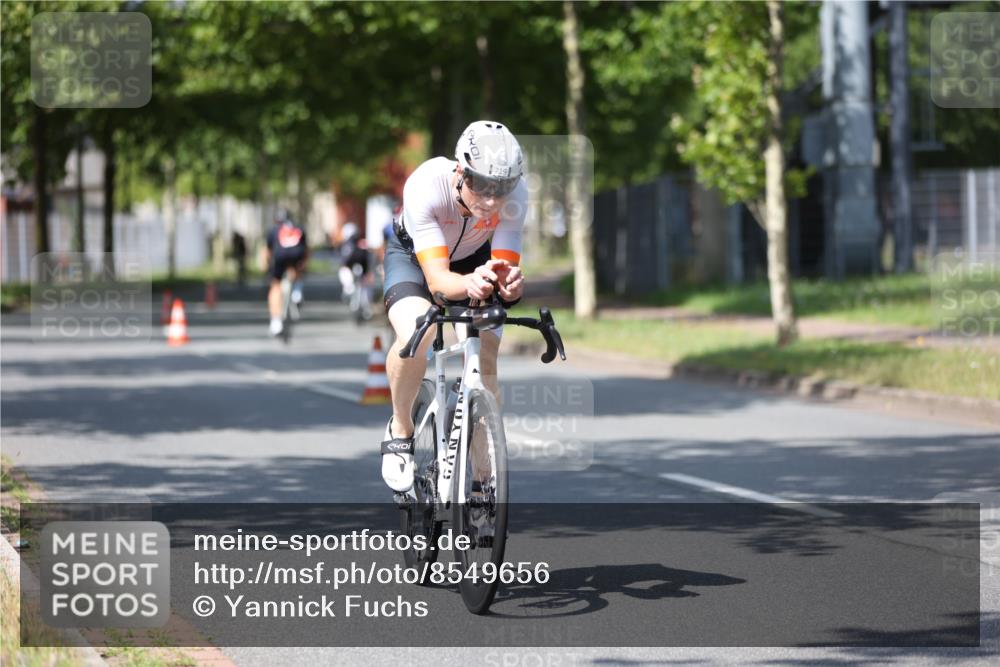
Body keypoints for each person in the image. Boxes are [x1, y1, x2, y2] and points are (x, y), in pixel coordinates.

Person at [380, 120, 526, 493]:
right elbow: (438, 283)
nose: (492, 200)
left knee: (487, 355)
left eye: (503, 188)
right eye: (482, 185)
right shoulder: (426, 185)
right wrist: (470, 283)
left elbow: (505, 266)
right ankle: (400, 428)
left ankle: (482, 484)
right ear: (460, 172)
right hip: (414, 259)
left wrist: (508, 285)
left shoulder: (516, 196)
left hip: (472, 259)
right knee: (420, 329)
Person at [265, 208, 308, 336]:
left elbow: (268, 252)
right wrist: (304, 264)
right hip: (297, 255)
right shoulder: (299, 228)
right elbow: (306, 250)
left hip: (279, 257)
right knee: (297, 268)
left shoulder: (274, 230)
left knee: (276, 286)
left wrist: (268, 266)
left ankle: (276, 321)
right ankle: (297, 292)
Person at [337, 222, 370, 298]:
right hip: (360, 268)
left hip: (354, 267)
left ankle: (349, 289)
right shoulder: (361, 243)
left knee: (343, 271)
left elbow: (344, 260)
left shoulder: (346, 245)